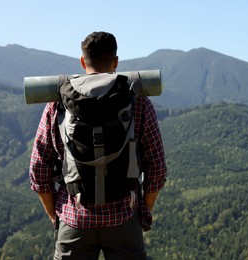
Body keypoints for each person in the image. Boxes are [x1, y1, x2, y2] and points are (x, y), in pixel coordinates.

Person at [29, 31, 167, 259]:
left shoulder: (58, 104)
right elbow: (157, 169)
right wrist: (143, 210)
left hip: (74, 221)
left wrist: (56, 217)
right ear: (116, 61)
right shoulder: (137, 100)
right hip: (124, 220)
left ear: (83, 62)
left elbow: (38, 170)